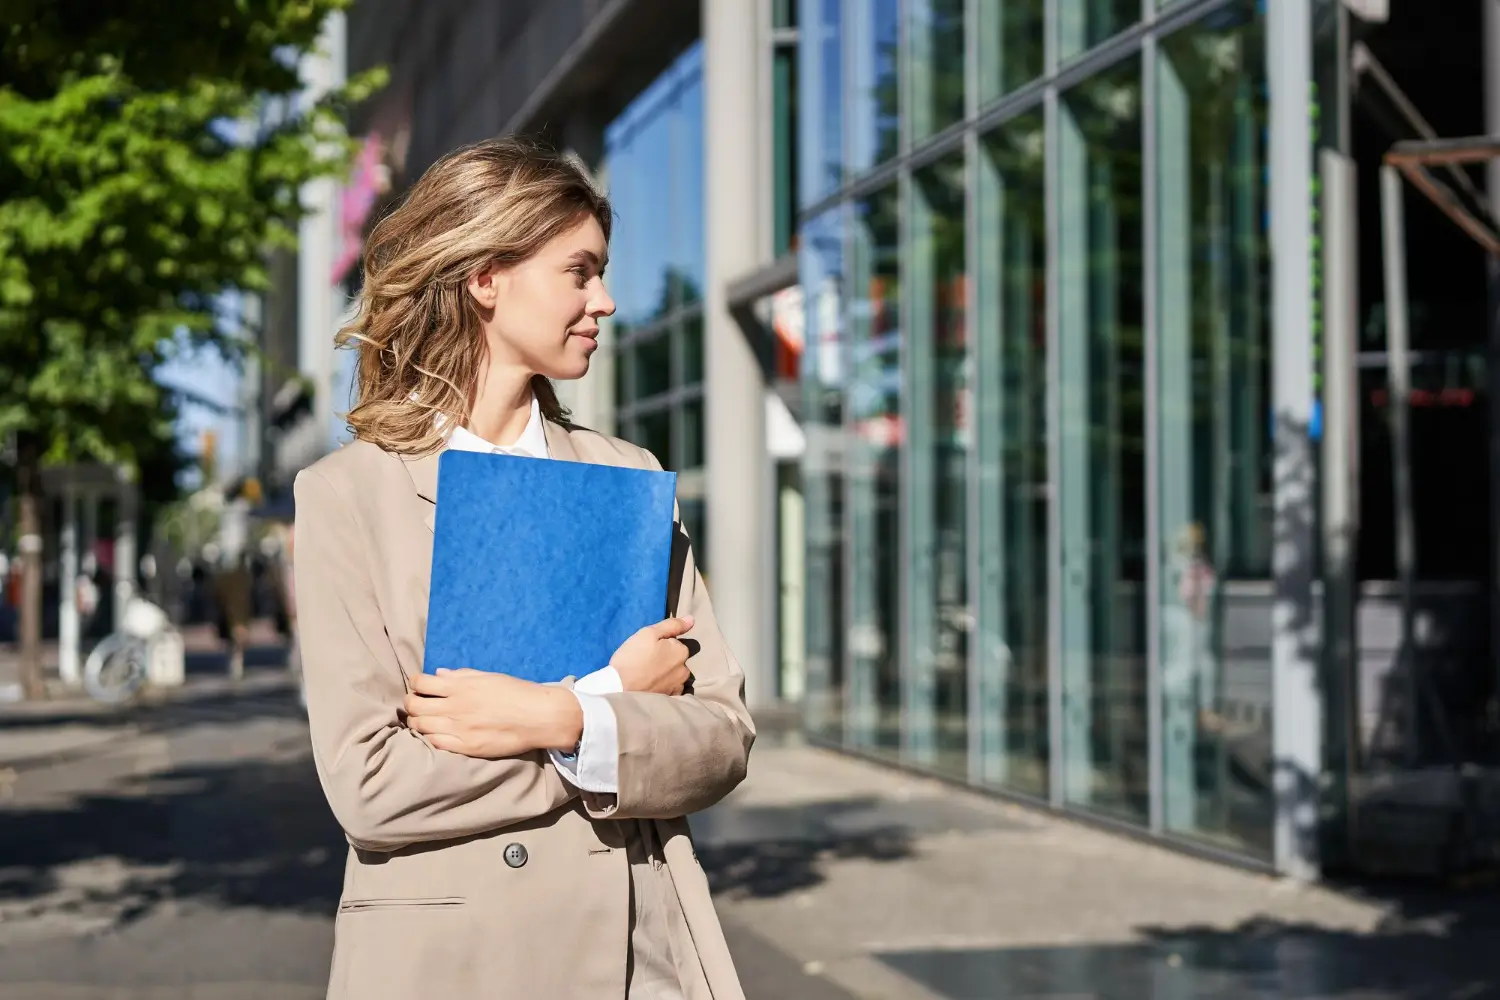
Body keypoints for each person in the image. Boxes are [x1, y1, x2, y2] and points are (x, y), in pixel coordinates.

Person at [293, 136, 755, 1000]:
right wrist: (607, 709)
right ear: (485, 277)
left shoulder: (631, 478)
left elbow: (723, 737)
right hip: (449, 962)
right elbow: (371, 786)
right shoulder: (349, 496)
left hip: (636, 955)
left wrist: (549, 714)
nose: (607, 301)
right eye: (579, 272)